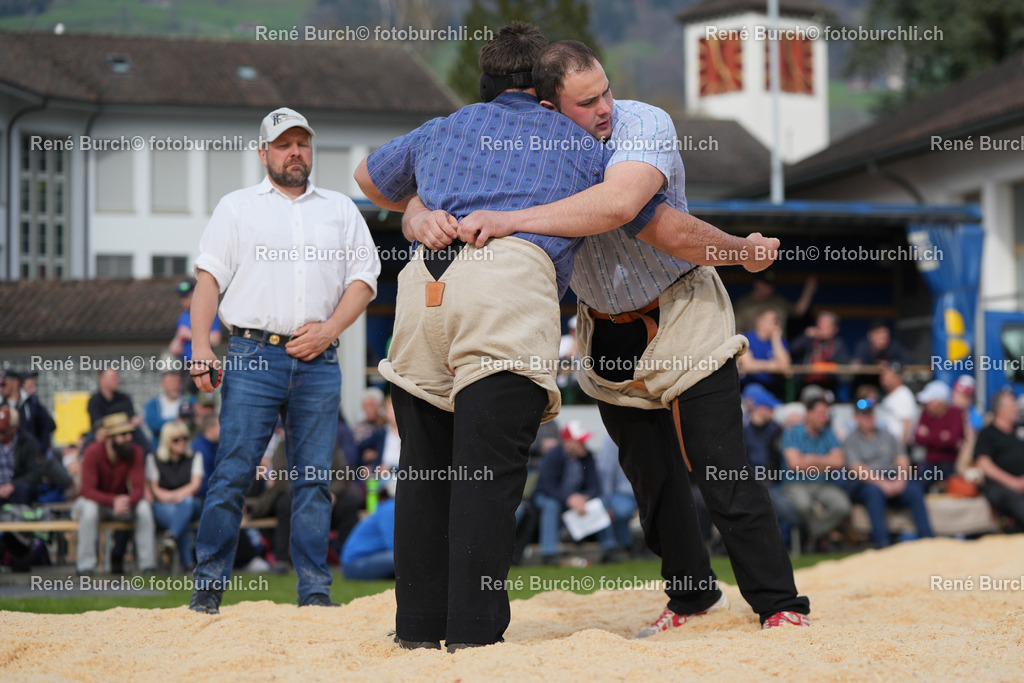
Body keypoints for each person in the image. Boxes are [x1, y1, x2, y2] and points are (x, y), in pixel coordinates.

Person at [418, 39, 808, 632]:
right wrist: (420, 212)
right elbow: (420, 178)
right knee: (652, 482)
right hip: (603, 320)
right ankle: (693, 597)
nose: (604, 107)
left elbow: (631, 208)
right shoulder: (536, 148)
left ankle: (779, 604)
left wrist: (740, 251)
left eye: (605, 91)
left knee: (720, 464)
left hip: (683, 303)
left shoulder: (642, 122)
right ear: (548, 108)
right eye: (586, 101)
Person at [187, 106, 380, 614]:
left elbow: (365, 279)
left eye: (302, 143)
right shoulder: (236, 207)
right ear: (263, 152)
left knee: (315, 480)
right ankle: (207, 593)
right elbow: (208, 279)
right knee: (233, 474)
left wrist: (331, 329)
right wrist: (202, 346)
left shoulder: (339, 209)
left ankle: (314, 593)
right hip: (251, 354)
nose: (295, 152)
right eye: (283, 144)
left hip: (320, 358)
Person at [841, 398, 933, 548]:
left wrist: (900, 479)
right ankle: (882, 542)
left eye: (870, 413)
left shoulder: (887, 435)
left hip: (893, 478)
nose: (868, 417)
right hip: (868, 482)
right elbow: (857, 468)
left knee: (915, 490)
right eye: (864, 415)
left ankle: (927, 538)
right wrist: (882, 483)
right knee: (874, 492)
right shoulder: (851, 440)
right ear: (856, 418)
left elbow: (902, 459)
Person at [73, 412, 156, 575]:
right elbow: (87, 490)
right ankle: (85, 566)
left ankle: (148, 565)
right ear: (109, 437)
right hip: (95, 503)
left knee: (144, 508)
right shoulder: (92, 452)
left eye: (130, 433)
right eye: (123, 434)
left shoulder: (135, 452)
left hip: (120, 504)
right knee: (89, 508)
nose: (129, 438)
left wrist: (126, 501)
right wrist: (113, 501)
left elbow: (139, 489)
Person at [780, 398, 851, 549]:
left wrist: (811, 458)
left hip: (822, 483)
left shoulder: (828, 434)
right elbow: (795, 465)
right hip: (796, 483)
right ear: (809, 413)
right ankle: (818, 538)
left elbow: (839, 462)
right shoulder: (792, 433)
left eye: (826, 414)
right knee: (804, 505)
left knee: (842, 505)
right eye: (820, 414)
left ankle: (812, 535)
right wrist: (825, 461)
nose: (824, 418)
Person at [532, 421, 604, 564]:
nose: (585, 444)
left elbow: (594, 486)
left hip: (576, 497)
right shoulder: (553, 455)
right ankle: (549, 553)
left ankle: (610, 548)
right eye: (580, 442)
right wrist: (569, 498)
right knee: (551, 506)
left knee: (600, 503)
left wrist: (585, 497)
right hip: (547, 496)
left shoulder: (587, 456)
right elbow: (548, 486)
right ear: (568, 443)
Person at [740, 384, 802, 537]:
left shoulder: (776, 429)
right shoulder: (742, 431)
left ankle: (785, 543)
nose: (773, 412)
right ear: (761, 408)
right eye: (770, 408)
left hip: (773, 483)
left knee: (786, 510)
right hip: (747, 482)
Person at [147, 420, 203, 571]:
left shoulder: (195, 457)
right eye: (176, 439)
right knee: (178, 516)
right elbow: (155, 490)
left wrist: (175, 496)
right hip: (165, 505)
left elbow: (195, 486)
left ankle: (171, 538)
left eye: (185, 438)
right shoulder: (154, 459)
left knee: (187, 503)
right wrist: (175, 496)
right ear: (167, 441)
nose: (182, 442)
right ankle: (187, 563)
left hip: (190, 504)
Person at [973, 389, 1024, 529]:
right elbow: (984, 464)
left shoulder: (1020, 430)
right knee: (1013, 499)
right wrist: (1014, 482)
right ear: (1000, 410)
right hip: (1000, 486)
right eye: (1012, 406)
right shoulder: (987, 434)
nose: (1016, 409)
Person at [912, 380, 970, 488]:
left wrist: (929, 435)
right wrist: (940, 436)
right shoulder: (925, 413)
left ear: (940, 402)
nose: (926, 405)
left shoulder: (955, 413)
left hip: (951, 463)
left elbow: (952, 440)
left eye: (930, 401)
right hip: (929, 463)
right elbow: (917, 438)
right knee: (916, 483)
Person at [732, 271, 817, 337]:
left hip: (778, 347)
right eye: (766, 284)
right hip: (753, 351)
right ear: (757, 284)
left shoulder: (778, 301)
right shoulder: (744, 304)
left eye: (771, 284)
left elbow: (798, 311)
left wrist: (809, 290)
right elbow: (737, 331)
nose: (770, 287)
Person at [594, 437, 637, 562]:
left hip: (646, 491)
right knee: (619, 512)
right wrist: (607, 500)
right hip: (623, 492)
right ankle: (621, 546)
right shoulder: (612, 439)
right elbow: (606, 472)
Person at [737, 307, 791, 398]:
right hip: (752, 386)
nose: (777, 324)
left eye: (777, 321)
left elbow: (785, 366)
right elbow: (748, 366)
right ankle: (778, 408)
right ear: (760, 322)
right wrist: (771, 365)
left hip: (775, 388)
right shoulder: (747, 339)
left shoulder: (779, 341)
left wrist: (776, 339)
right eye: (773, 321)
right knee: (753, 390)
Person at [790, 311, 849, 392]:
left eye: (826, 326)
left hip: (828, 385)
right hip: (804, 383)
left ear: (835, 329)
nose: (821, 328)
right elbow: (792, 350)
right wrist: (805, 335)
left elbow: (841, 366)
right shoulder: (809, 340)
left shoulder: (838, 344)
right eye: (819, 325)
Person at [341, 496, 396, 580]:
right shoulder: (391, 508)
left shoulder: (390, 506)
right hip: (355, 564)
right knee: (404, 558)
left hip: (369, 559)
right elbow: (393, 545)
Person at [1, 370, 56, 454]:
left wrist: (41, 451)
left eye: (4, 384)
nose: (1, 388)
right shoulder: (2, 405)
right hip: (7, 456)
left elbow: (48, 425)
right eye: (29, 385)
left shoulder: (32, 403)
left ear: (15, 383)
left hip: (29, 456)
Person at [170, 280, 223, 363]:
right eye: (181, 297)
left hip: (202, 362)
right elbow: (178, 338)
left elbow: (215, 339)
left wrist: (188, 334)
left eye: (186, 296)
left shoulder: (207, 313)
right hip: (184, 362)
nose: (183, 300)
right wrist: (175, 346)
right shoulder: (183, 316)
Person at [144, 371, 187, 452]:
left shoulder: (188, 401)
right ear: (162, 384)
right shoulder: (153, 404)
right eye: (171, 382)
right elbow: (153, 424)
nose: (175, 385)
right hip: (160, 450)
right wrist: (176, 420)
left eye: (177, 381)